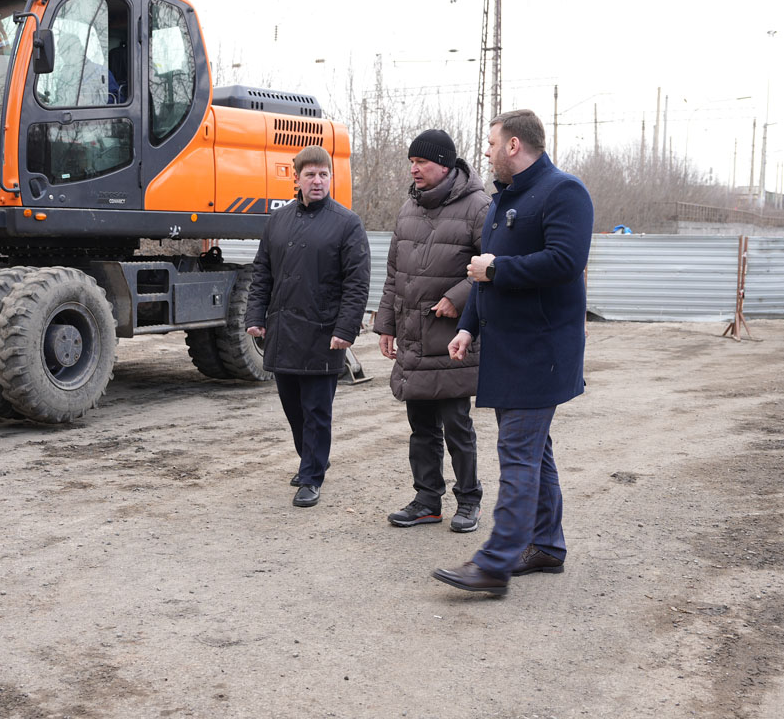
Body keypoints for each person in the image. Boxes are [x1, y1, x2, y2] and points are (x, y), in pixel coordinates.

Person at [432, 109, 593, 596]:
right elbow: (482, 275)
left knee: (518, 454)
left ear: (514, 145)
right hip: (509, 350)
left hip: (541, 351)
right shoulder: (504, 199)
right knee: (535, 453)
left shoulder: (564, 192)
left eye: (491, 143)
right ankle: (546, 545)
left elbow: (566, 261)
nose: (486, 152)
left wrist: (498, 269)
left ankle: (494, 563)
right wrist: (467, 326)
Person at [374, 130, 491, 532]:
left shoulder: (478, 207)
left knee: (457, 425)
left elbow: (494, 265)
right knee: (421, 427)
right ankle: (427, 500)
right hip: (413, 334)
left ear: (444, 164)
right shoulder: (409, 208)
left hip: (452, 336)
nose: (414, 169)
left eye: (421, 162)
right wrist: (386, 325)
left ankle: (469, 500)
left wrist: (458, 297)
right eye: (412, 162)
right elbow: (394, 273)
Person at [246, 145, 371, 508]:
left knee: (317, 410)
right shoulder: (278, 221)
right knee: (293, 409)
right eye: (310, 174)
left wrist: (345, 329)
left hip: (323, 333)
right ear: (296, 177)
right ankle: (312, 458)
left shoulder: (347, 223)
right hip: (283, 331)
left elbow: (357, 283)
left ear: (331, 178)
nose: (318, 181)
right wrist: (254, 317)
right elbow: (262, 274)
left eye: (324, 174)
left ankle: (312, 476)